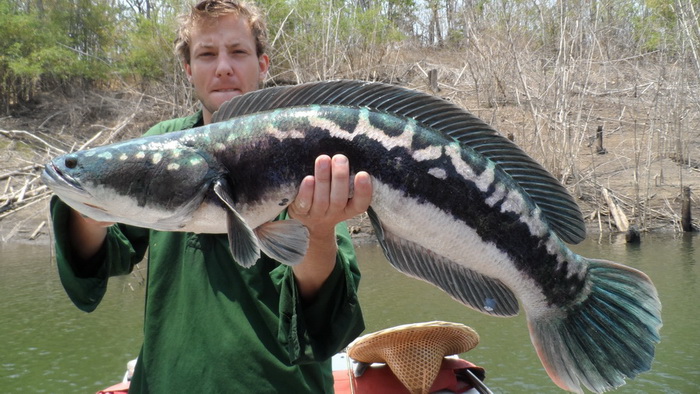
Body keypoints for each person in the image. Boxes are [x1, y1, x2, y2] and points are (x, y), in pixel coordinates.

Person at [48, 0, 373, 392]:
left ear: (263, 64)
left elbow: (325, 319)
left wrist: (318, 233)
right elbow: (99, 261)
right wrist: (92, 209)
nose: (223, 67)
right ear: (188, 69)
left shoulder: (306, 144)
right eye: (206, 54)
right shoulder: (159, 145)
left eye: (238, 52)